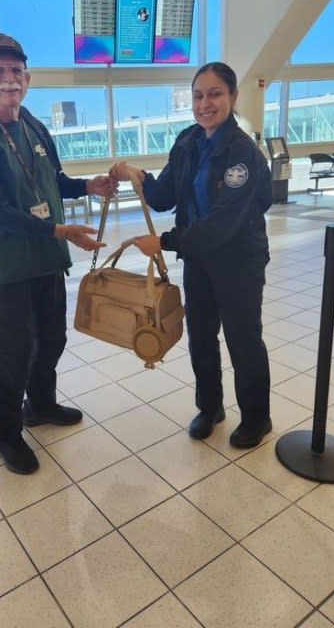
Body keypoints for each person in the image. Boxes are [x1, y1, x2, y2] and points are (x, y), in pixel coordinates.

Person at [0, 33, 117, 474]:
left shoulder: (36, 127)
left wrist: (88, 185)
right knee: (13, 351)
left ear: (28, 78)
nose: (9, 78)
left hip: (46, 261)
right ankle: (4, 433)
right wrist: (61, 229)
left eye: (15, 70)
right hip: (8, 267)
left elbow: (54, 180)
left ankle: (40, 406)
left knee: (52, 341)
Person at [111, 62, 273, 449]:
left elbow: (223, 223)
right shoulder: (188, 143)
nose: (205, 103)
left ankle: (256, 417)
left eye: (215, 94)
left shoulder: (243, 154)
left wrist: (165, 243)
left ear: (233, 97)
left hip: (237, 262)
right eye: (198, 95)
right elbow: (165, 195)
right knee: (200, 336)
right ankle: (210, 407)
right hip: (199, 260)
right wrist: (138, 176)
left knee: (243, 339)